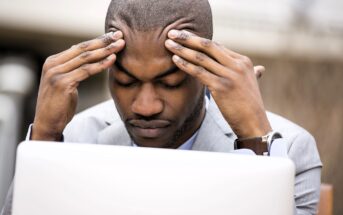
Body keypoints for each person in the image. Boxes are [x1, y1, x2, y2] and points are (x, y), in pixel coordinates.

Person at [1, 0, 322, 214]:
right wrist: (44, 135)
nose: (145, 106)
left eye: (169, 84)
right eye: (126, 82)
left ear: (205, 72)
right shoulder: (74, 138)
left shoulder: (291, 151)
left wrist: (255, 141)